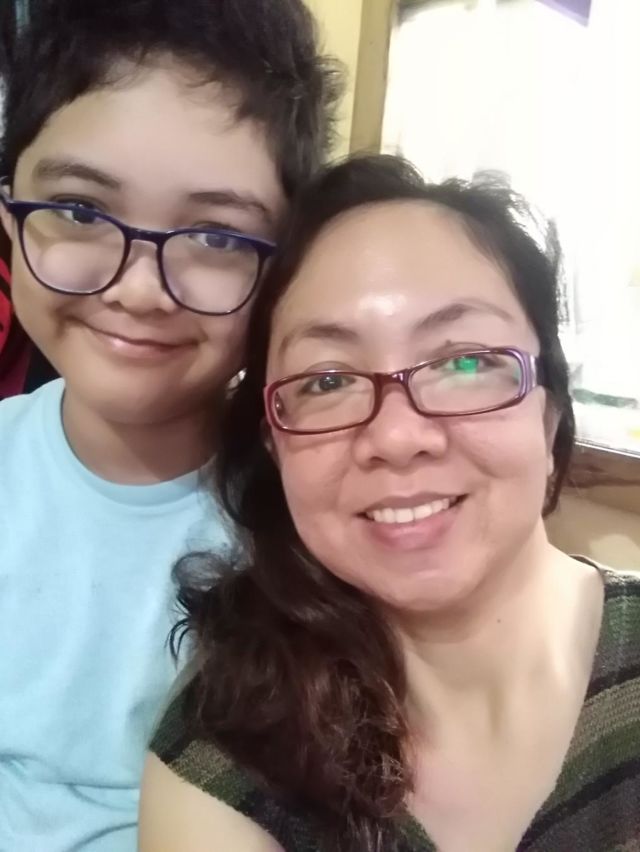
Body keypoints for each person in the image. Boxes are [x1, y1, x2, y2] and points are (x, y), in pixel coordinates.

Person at [140, 155, 640, 852]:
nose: (397, 437)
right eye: (327, 380)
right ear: (275, 447)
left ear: (549, 413)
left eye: (464, 361)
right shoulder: (228, 753)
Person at [0, 1, 340, 849]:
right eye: (80, 211)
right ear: (11, 218)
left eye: (216, 237)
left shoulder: (313, 521)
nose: (139, 289)